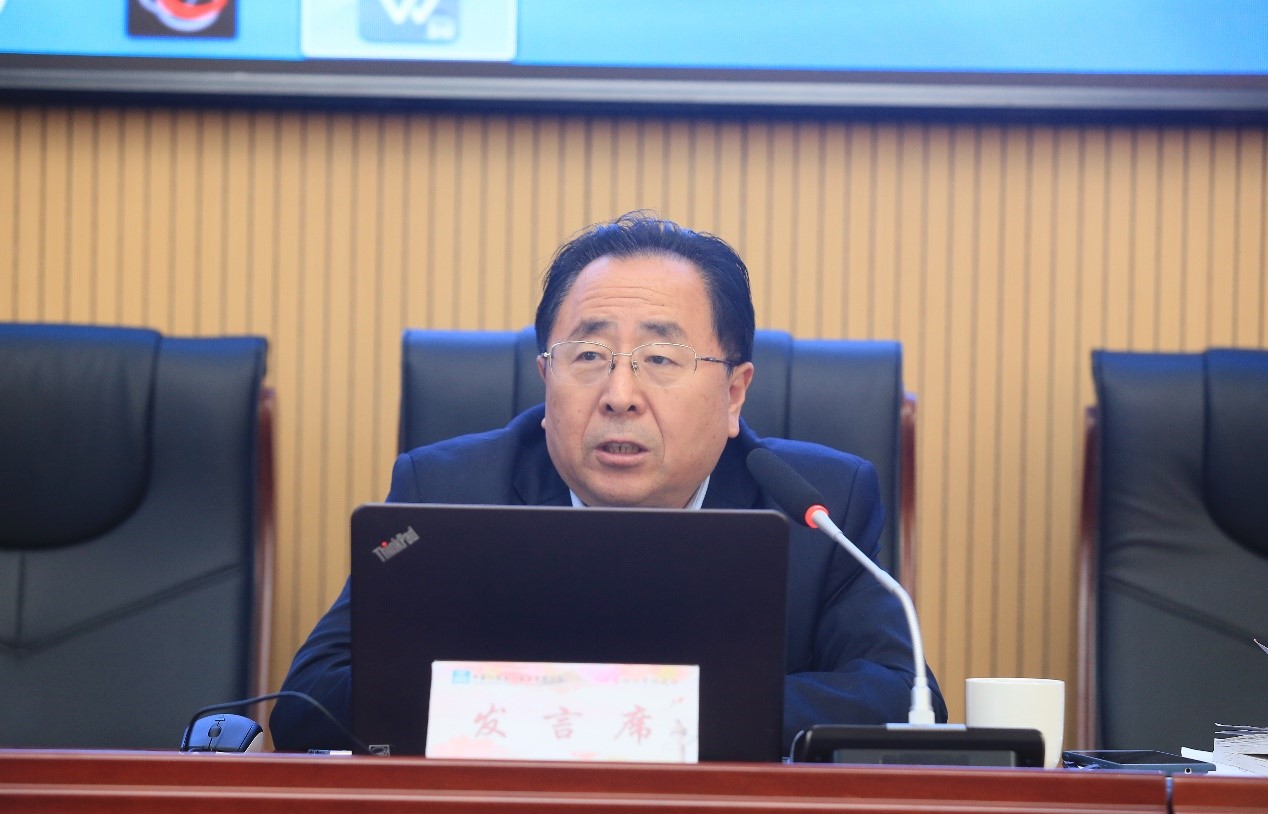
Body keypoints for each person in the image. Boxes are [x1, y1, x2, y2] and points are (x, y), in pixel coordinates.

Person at [270, 211, 948, 752]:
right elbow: (310, 701)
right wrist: (603, 713)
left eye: (661, 358)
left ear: (734, 393)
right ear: (546, 378)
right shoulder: (444, 491)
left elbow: (902, 696)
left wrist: (652, 713)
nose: (620, 395)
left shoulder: (819, 505)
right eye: (590, 355)